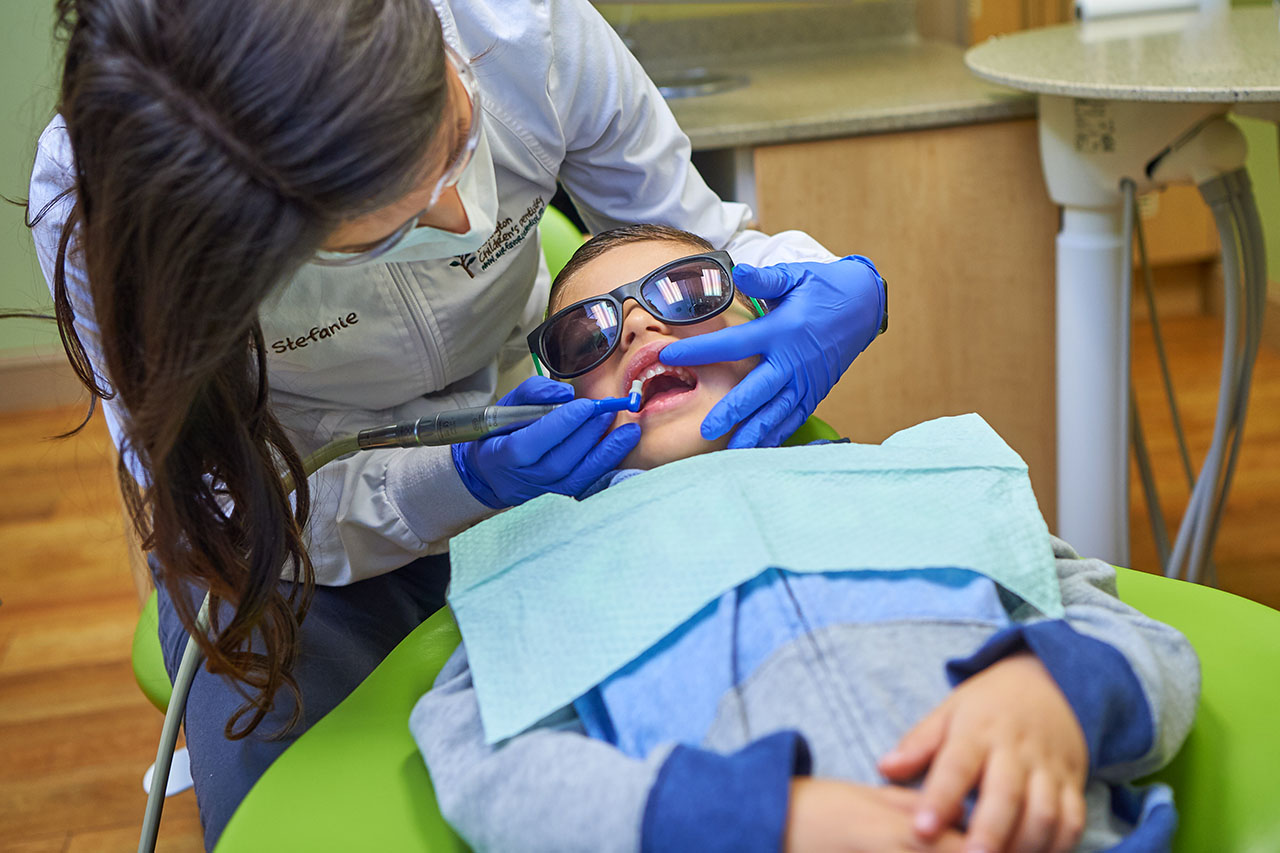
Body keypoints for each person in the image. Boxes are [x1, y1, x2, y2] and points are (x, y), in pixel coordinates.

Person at [25, 0, 885, 845]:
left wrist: (823, 279)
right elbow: (230, 510)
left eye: (456, 137)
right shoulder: (117, 215)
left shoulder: (516, 24)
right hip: (294, 524)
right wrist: (459, 481)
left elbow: (698, 246)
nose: (460, 216)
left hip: (531, 433)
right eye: (387, 229)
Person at [411, 226, 1198, 853]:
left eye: (686, 293)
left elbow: (1135, 635)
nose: (642, 326)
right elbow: (490, 764)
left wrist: (1053, 692)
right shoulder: (544, 566)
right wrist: (754, 819)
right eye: (588, 335)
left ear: (766, 322)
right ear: (555, 399)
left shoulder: (914, 477)